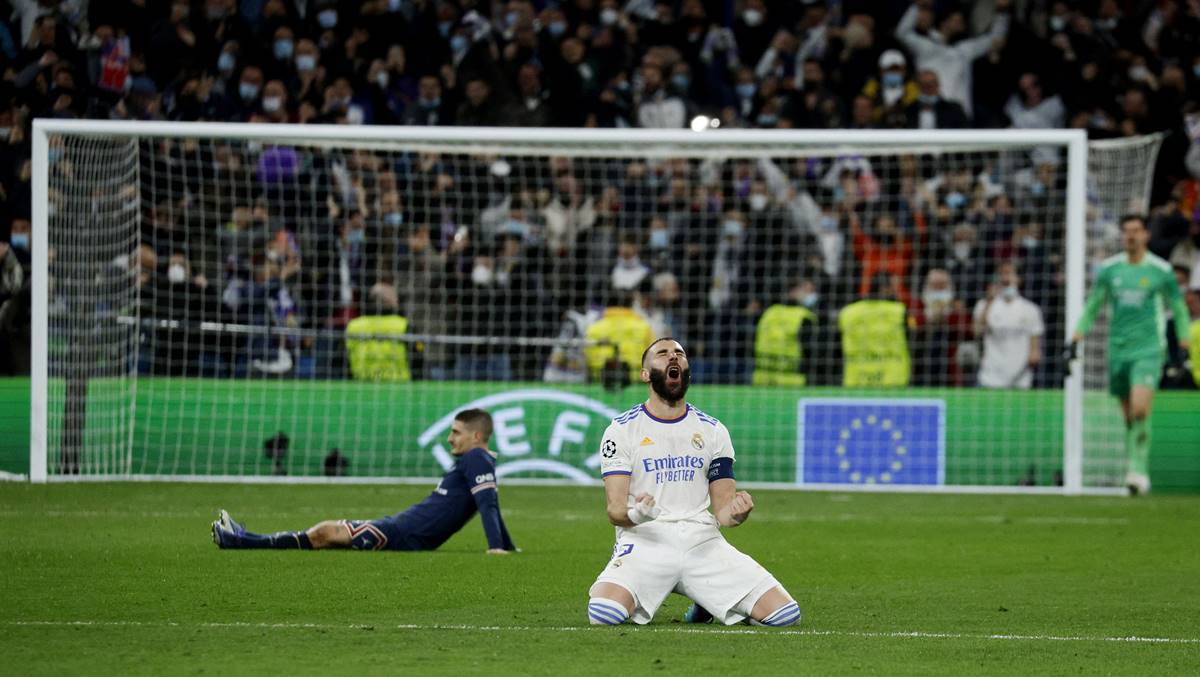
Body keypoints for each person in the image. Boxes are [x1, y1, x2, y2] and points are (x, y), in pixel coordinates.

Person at [587, 338, 800, 627]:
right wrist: (637, 514)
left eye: (679, 353)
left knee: (785, 616)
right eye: (663, 354)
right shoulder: (621, 430)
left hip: (702, 542)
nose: (673, 357)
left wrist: (737, 513)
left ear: (687, 370)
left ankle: (706, 601)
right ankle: (706, 598)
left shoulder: (713, 430)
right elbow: (615, 510)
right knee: (603, 614)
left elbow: (723, 513)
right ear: (645, 374)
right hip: (645, 541)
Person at [212, 409, 516, 552]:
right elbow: (489, 503)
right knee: (324, 537)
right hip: (403, 529)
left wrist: (497, 548)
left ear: (477, 436)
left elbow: (488, 505)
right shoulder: (481, 461)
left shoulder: (477, 458)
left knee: (324, 534)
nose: (450, 438)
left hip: (403, 533)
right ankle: (243, 538)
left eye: (456, 433)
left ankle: (240, 541)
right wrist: (509, 547)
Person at [1071, 216, 1191, 495]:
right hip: (1118, 349)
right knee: (1129, 416)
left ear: (1146, 234)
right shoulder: (1110, 269)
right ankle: (1134, 466)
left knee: (1140, 408)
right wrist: (1076, 337)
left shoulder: (1161, 271)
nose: (1130, 236)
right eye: (1126, 231)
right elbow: (1093, 305)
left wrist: (1184, 341)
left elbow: (1178, 307)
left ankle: (1139, 470)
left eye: (1136, 231)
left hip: (1149, 349)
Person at [974, 262, 1044, 389]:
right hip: (989, 378)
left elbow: (1035, 351)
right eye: (1002, 274)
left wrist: (1032, 357)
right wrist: (989, 301)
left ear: (1019, 279)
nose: (1006, 278)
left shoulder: (1030, 309)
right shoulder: (984, 305)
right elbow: (977, 331)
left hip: (1020, 380)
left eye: (1009, 273)